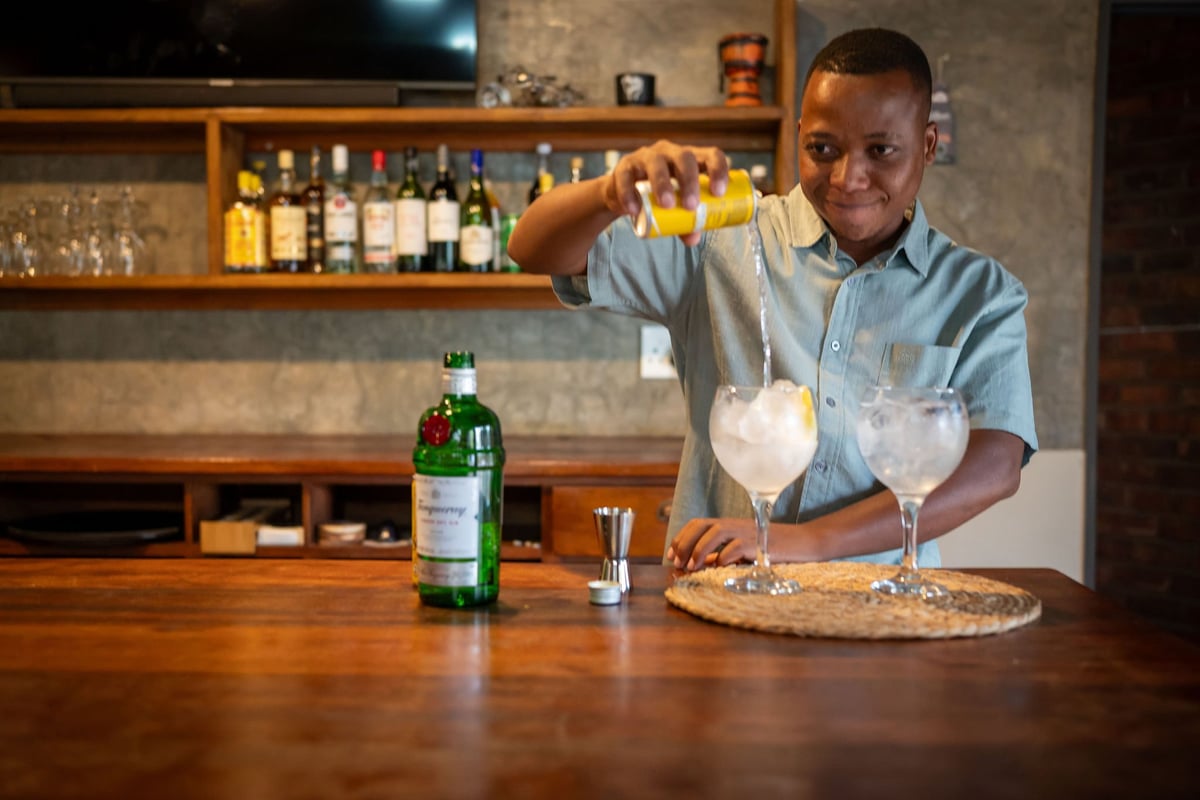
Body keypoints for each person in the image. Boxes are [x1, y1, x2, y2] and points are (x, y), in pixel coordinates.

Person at [508, 27, 1038, 572]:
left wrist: (808, 541)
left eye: (880, 150)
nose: (848, 177)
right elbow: (530, 248)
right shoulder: (722, 238)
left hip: (883, 609)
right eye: (822, 149)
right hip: (720, 592)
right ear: (801, 135)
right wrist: (609, 193)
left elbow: (995, 467)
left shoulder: (980, 293)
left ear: (927, 144)